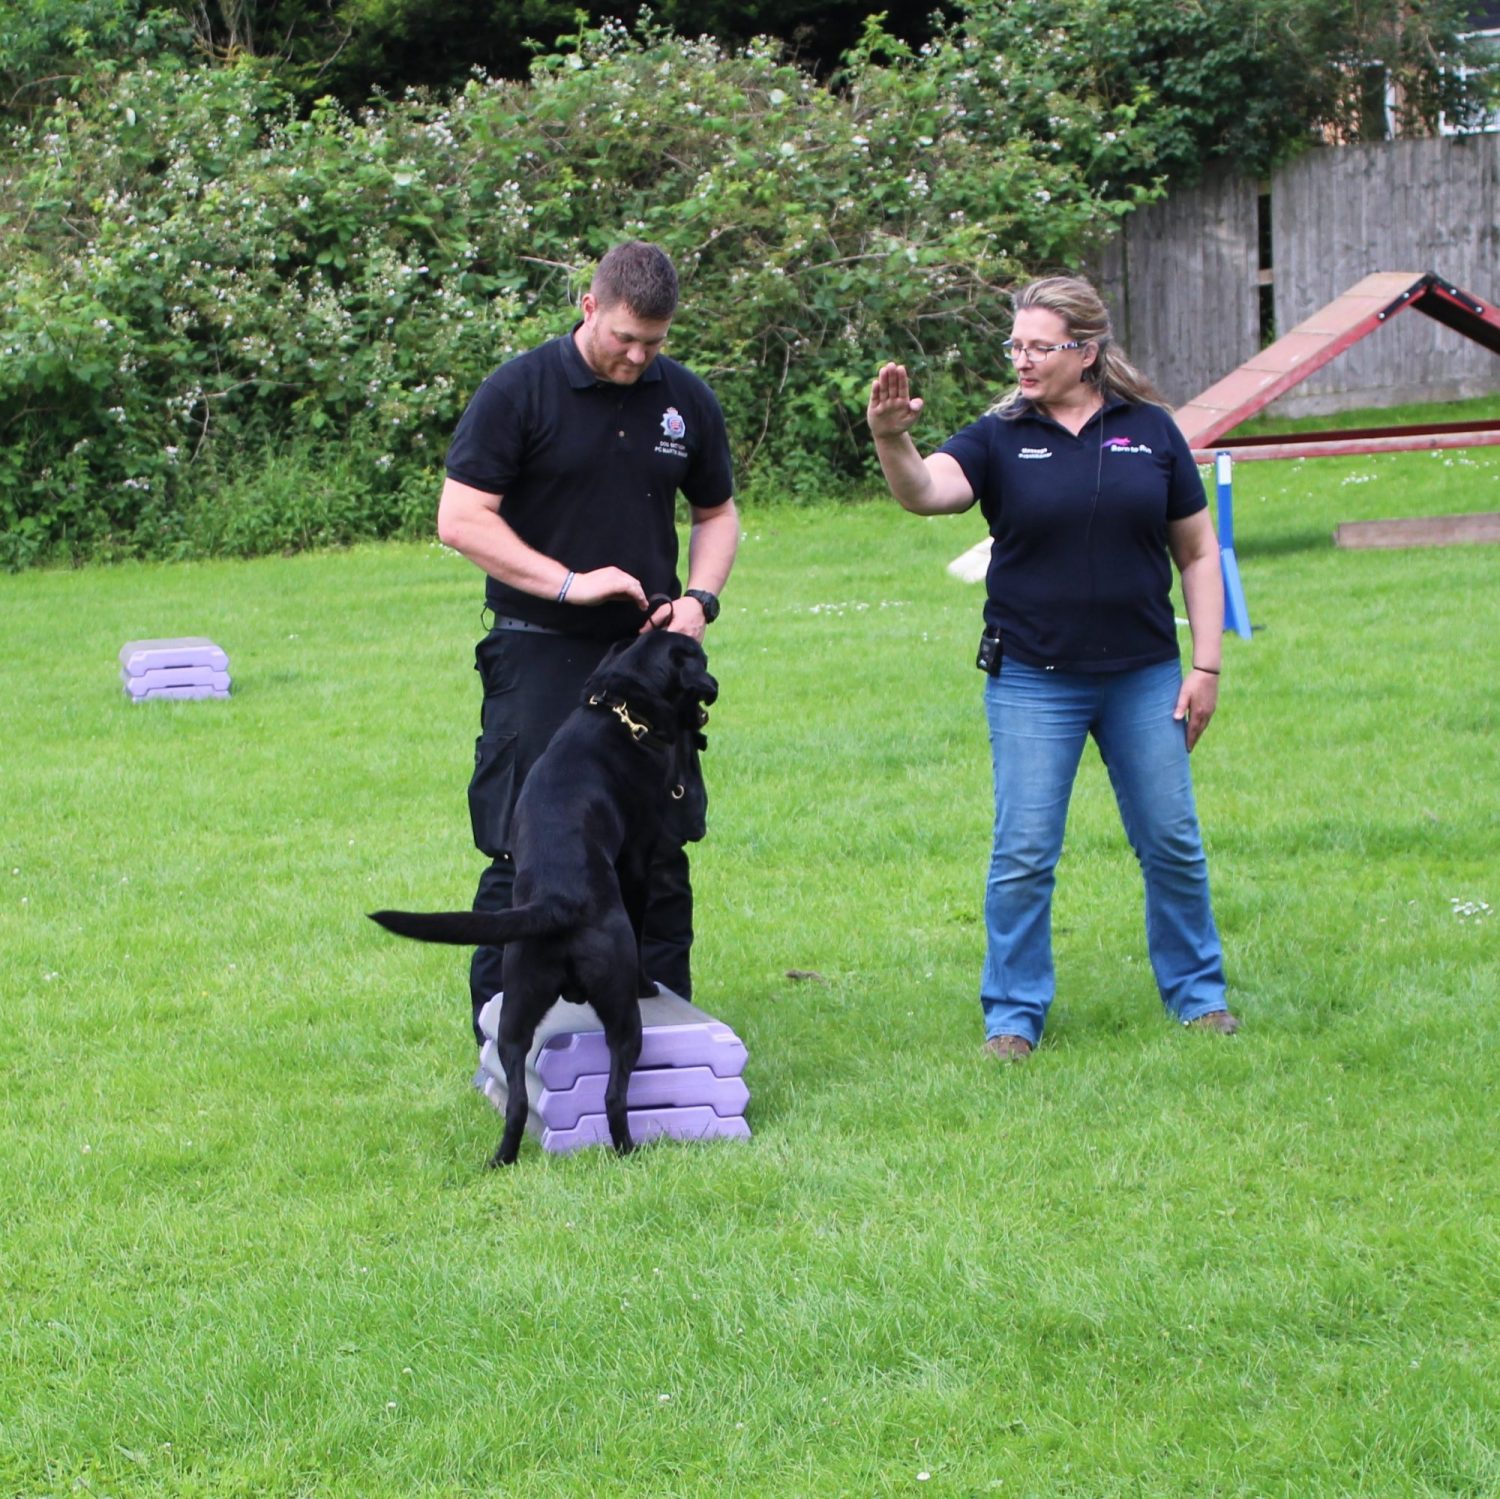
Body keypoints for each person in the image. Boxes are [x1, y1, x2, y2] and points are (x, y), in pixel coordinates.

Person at [865, 274, 1238, 1060]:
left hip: (1142, 674)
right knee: (1026, 852)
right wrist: (892, 438)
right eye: (1017, 346)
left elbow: (1198, 551)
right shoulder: (1000, 433)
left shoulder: (1152, 431)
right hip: (1033, 676)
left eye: (1040, 347)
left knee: (1171, 839)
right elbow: (928, 493)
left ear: (1088, 351)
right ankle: (1013, 1016)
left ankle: (1199, 997)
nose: (1023, 361)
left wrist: (1206, 664)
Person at [438, 240, 738, 1049]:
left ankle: (662, 1036)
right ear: (589, 307)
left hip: (647, 661)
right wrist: (571, 582)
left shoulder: (684, 402)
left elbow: (716, 514)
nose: (638, 357)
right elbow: (461, 518)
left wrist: (700, 603)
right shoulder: (520, 390)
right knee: (528, 843)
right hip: (541, 647)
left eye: (655, 342)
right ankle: (505, 1043)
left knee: (660, 847)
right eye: (624, 338)